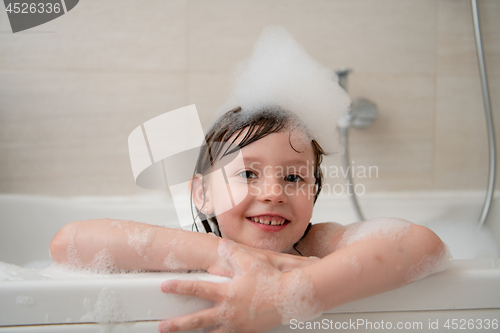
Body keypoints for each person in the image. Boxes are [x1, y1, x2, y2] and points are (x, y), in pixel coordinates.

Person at [49, 105, 450, 333]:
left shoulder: (313, 244)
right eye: (248, 173)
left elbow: (418, 243)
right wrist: (216, 253)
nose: (273, 192)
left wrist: (283, 298)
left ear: (313, 194)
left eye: (294, 177)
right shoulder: (189, 248)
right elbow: (69, 242)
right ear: (202, 194)